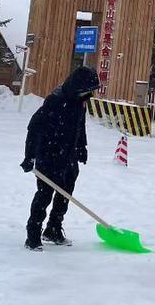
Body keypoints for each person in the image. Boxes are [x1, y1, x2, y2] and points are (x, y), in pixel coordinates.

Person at [21, 65, 100, 250]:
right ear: (77, 87)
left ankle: (53, 229)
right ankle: (32, 234)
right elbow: (34, 128)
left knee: (65, 196)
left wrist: (82, 147)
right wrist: (29, 156)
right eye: (87, 91)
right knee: (44, 195)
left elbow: (80, 126)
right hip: (48, 155)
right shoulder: (55, 101)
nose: (90, 96)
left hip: (68, 156)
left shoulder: (79, 102)